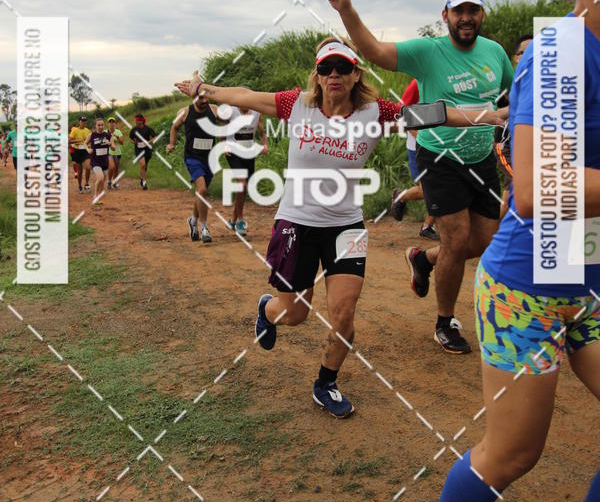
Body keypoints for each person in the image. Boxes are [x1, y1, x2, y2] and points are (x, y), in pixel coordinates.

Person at [411, 0, 600, 502]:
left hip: (590, 276)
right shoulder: (558, 54)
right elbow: (535, 190)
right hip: (528, 285)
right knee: (515, 451)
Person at [175, 39, 503, 417]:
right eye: (327, 68)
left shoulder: (375, 112)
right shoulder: (296, 105)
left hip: (346, 225)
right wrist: (203, 89)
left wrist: (490, 116)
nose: (334, 75)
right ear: (317, 74)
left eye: (343, 68)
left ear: (355, 73)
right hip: (296, 221)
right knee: (294, 313)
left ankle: (326, 383)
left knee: (343, 312)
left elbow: (433, 115)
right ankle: (268, 311)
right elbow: (246, 96)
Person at [324, 0, 514, 355]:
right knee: (457, 239)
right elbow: (374, 50)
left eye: (473, 10)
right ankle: (446, 322)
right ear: (445, 16)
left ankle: (423, 259)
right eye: (458, 10)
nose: (466, 17)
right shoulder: (428, 52)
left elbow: (511, 98)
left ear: (482, 15)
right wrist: (346, 9)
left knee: (484, 239)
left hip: (480, 159)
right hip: (438, 155)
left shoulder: (494, 53)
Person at [167, 93, 220, 243]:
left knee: (200, 193)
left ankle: (193, 220)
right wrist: (172, 143)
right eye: (201, 98)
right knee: (202, 190)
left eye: (206, 98)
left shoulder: (215, 110)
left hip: (210, 158)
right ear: (194, 98)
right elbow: (174, 127)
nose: (205, 101)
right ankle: (204, 228)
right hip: (192, 157)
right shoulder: (184, 112)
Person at [391, 78, 439, 240]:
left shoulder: (449, 78)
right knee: (429, 189)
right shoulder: (417, 83)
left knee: (440, 187)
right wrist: (420, 139)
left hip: (442, 144)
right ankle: (402, 197)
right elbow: (402, 114)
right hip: (418, 146)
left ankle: (427, 226)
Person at [494, 34, 533, 220]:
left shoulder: (543, 81)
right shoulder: (510, 82)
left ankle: (492, 232)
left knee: (512, 190)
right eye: (524, 52)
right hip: (506, 146)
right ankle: (495, 233)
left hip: (527, 148)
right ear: (516, 57)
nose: (530, 55)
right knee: (521, 182)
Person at [225, 106, 268, 236]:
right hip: (233, 153)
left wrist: (265, 144)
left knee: (243, 188)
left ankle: (232, 220)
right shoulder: (231, 112)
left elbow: (261, 132)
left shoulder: (256, 113)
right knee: (242, 184)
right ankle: (240, 220)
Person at [84, 117, 114, 207]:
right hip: (95, 160)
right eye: (98, 125)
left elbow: (114, 147)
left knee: (103, 180)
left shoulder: (108, 135)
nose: (100, 127)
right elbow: (85, 143)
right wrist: (88, 149)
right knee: (100, 178)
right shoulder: (92, 135)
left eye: (102, 125)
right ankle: (95, 197)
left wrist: (109, 144)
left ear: (103, 125)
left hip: (104, 161)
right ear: (95, 126)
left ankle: (98, 197)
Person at [129, 114, 157, 189]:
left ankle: (142, 177)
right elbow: (130, 139)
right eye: (135, 121)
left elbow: (155, 137)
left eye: (137, 121)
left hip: (147, 149)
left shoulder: (147, 128)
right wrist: (134, 142)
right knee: (142, 164)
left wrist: (149, 142)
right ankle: (144, 183)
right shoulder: (134, 129)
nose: (136, 122)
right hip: (138, 149)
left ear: (141, 121)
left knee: (145, 166)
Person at [69, 116, 91, 192]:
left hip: (85, 151)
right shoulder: (74, 131)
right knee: (80, 170)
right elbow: (70, 141)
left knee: (88, 167)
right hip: (77, 151)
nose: (84, 122)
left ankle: (87, 184)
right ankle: (79, 186)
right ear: (79, 121)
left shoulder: (88, 130)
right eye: (82, 121)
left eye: (85, 121)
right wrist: (79, 140)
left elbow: (90, 140)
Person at [107, 116, 124, 189]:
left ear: (115, 124)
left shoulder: (118, 132)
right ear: (108, 124)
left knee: (116, 168)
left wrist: (117, 137)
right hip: (109, 152)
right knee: (111, 167)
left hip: (117, 152)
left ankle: (115, 182)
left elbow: (122, 142)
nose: (111, 123)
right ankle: (109, 181)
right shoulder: (105, 132)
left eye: (113, 122)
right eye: (110, 122)